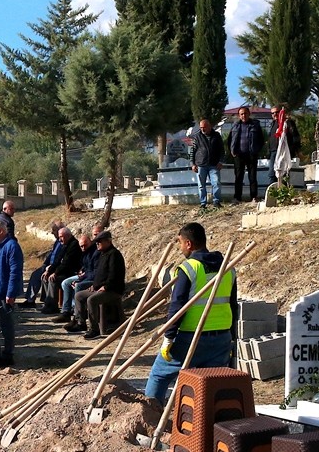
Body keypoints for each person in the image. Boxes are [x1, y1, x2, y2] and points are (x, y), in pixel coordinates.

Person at [144, 222, 237, 405]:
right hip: (221, 337)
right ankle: (207, 423)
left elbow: (177, 306)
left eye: (180, 243)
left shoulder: (189, 268)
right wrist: (233, 337)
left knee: (159, 375)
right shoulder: (228, 268)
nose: (180, 248)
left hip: (191, 338)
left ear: (188, 244)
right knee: (209, 385)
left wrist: (168, 337)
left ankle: (149, 415)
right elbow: (233, 305)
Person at [0, 219, 23, 367]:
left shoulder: (11, 246)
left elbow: (15, 271)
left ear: (1, 231)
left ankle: (8, 355)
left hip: (4, 294)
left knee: (6, 325)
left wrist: (11, 293)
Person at [80, 230, 125, 340]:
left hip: (113, 290)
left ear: (108, 242)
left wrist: (105, 287)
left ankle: (94, 329)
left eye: (99, 242)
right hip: (100, 288)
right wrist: (94, 286)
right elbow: (99, 274)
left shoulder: (114, 255)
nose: (97, 244)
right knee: (79, 296)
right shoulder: (102, 254)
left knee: (91, 300)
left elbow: (114, 275)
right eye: (96, 242)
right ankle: (80, 322)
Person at [55, 226, 101, 324]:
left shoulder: (96, 252)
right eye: (81, 246)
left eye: (85, 245)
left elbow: (95, 272)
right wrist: (81, 272)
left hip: (93, 279)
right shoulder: (85, 252)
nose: (83, 248)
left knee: (78, 285)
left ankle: (77, 316)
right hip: (85, 275)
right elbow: (85, 266)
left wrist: (81, 279)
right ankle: (66, 311)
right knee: (66, 283)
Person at [226, 106, 265, 203]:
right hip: (239, 155)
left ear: (249, 114)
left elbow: (261, 140)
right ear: (239, 115)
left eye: (245, 113)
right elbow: (230, 140)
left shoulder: (255, 125)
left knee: (252, 177)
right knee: (238, 177)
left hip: (251, 154)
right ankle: (237, 198)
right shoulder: (235, 125)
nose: (244, 115)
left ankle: (254, 197)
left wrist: (256, 150)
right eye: (241, 114)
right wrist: (232, 150)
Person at [22, 219, 65, 306]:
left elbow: (60, 259)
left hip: (56, 268)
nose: (52, 233)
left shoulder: (63, 242)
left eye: (54, 231)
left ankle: (35, 301)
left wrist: (50, 268)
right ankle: (31, 299)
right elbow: (52, 254)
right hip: (49, 266)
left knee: (38, 276)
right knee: (36, 274)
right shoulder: (57, 242)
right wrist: (45, 264)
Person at [40, 227, 82, 315]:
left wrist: (55, 273)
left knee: (53, 280)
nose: (60, 239)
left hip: (71, 272)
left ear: (68, 236)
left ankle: (52, 306)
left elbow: (66, 263)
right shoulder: (65, 245)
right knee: (45, 277)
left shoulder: (73, 245)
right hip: (64, 270)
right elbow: (58, 260)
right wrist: (49, 271)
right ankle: (47, 302)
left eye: (61, 237)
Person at [190, 118, 226, 210]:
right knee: (201, 185)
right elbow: (192, 151)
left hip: (214, 164)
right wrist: (192, 164)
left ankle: (216, 201)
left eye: (204, 127)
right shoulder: (197, 137)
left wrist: (221, 161)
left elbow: (222, 150)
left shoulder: (217, 136)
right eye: (201, 127)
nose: (203, 129)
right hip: (201, 164)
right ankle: (203, 203)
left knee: (216, 183)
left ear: (209, 126)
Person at [270, 104, 303, 187]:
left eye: (276, 112)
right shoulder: (273, 124)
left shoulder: (288, 123)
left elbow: (295, 137)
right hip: (274, 151)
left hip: (285, 151)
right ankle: (273, 193)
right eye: (272, 113)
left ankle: (283, 192)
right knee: (272, 173)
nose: (274, 114)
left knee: (283, 173)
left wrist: (296, 150)